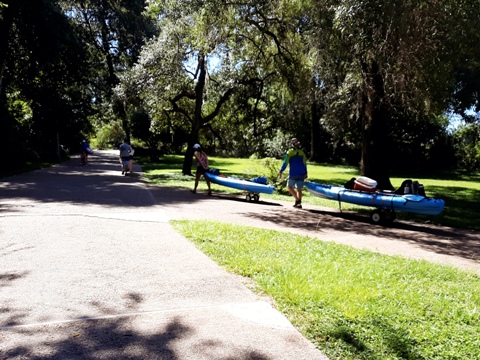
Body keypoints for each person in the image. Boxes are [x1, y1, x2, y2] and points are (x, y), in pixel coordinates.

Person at [278, 138, 308, 208]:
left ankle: (297, 200)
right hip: (301, 173)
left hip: (293, 173)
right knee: (299, 189)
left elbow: (285, 162)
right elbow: (304, 163)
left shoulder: (290, 152)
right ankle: (298, 204)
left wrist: (281, 170)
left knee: (289, 187)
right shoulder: (302, 152)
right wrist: (306, 172)